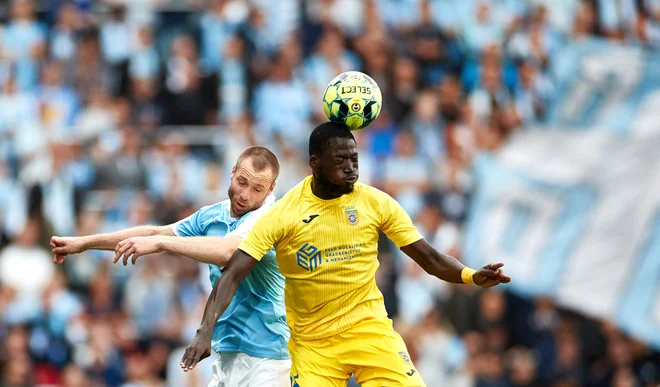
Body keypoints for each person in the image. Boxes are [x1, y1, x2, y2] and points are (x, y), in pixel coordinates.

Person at [180, 122, 511, 386]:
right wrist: (204, 332)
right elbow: (232, 275)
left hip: (369, 331)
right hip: (313, 347)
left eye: (354, 159)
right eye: (341, 161)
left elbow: (431, 259)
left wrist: (470, 275)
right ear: (314, 163)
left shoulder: (375, 203)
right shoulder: (282, 216)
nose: (352, 168)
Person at [50, 146, 292, 387]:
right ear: (232, 172)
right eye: (242, 182)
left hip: (266, 357)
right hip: (228, 352)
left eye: (257, 189)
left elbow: (227, 252)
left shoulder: (267, 219)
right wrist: (84, 243)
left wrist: (162, 243)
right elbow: (154, 231)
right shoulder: (213, 215)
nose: (245, 195)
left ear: (270, 189)